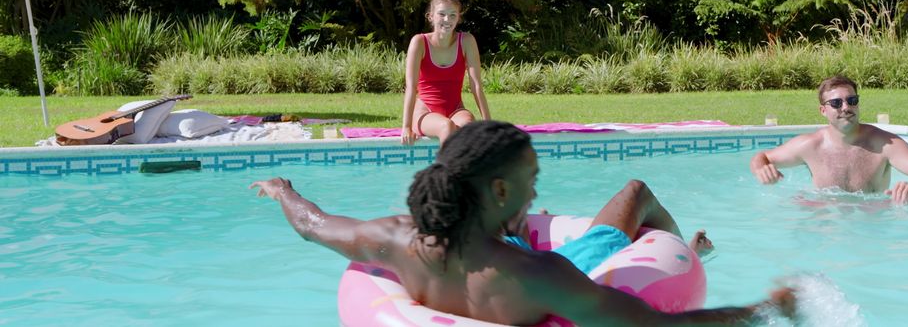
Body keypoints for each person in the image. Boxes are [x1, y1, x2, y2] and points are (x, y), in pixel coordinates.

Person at [253, 120, 797, 326]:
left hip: (483, 260)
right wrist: (763, 309)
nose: (537, 192)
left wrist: (283, 189)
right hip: (549, 278)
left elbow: (312, 225)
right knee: (634, 192)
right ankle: (689, 251)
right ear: (497, 190)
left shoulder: (396, 239)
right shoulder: (538, 273)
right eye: (529, 180)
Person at [750, 75, 908, 205]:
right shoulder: (810, 145)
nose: (846, 107)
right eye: (836, 103)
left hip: (872, 227)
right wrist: (761, 168)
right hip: (824, 225)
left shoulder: (884, 144)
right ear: (823, 110)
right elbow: (761, 157)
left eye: (852, 101)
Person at [401, 0, 491, 145]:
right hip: (425, 112)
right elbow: (411, 87)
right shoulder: (419, 42)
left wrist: (489, 123)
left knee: (470, 129)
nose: (447, 19)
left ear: (458, 18)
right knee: (446, 126)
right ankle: (446, 169)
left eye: (452, 15)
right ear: (431, 16)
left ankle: (466, 169)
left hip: (456, 109)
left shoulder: (467, 41)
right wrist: (406, 127)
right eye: (441, 14)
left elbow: (476, 85)